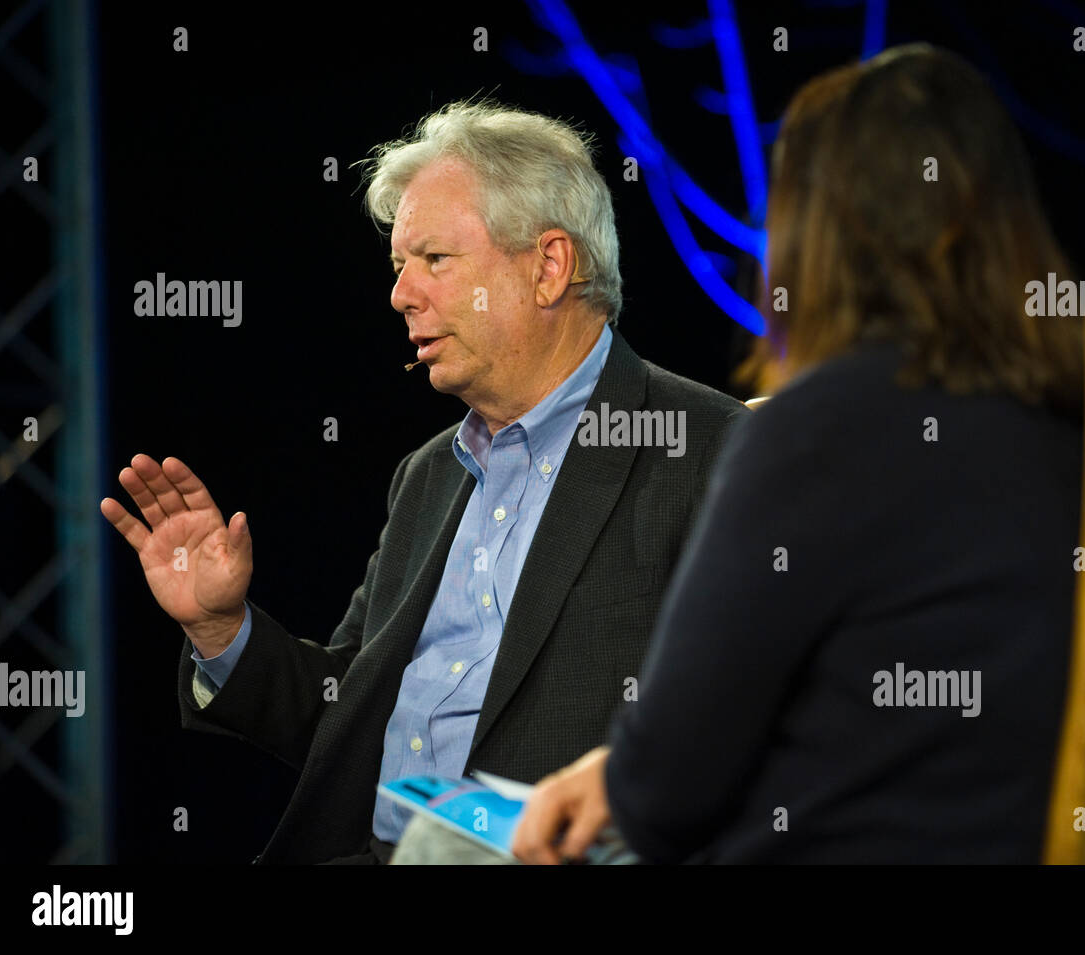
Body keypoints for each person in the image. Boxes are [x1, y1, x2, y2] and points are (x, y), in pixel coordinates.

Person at [100, 100, 747, 864]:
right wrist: (220, 628)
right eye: (400, 266)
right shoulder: (430, 473)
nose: (402, 295)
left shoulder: (707, 449)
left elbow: (745, 735)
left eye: (434, 260)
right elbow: (340, 714)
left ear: (548, 267)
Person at [512, 44, 1085, 864]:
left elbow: (669, 789)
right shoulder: (1065, 416)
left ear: (815, 232)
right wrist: (626, 771)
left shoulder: (817, 430)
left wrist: (625, 775)